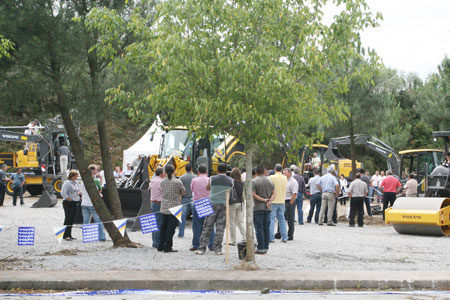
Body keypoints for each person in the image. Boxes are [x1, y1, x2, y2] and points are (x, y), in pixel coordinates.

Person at [195, 163, 233, 255]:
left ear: (217, 170)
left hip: (212, 204)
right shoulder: (231, 180)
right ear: (226, 171)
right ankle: (218, 249)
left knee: (207, 226)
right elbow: (231, 190)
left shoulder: (212, 178)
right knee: (220, 227)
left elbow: (207, 188)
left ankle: (202, 248)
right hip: (224, 205)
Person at [158, 165, 185, 253]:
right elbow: (183, 192)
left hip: (164, 206)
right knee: (171, 228)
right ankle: (168, 247)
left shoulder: (162, 182)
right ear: (174, 171)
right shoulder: (178, 181)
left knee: (163, 227)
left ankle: (160, 245)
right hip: (174, 207)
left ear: (165, 172)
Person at [190, 164, 214, 251]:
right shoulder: (210, 180)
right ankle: (212, 244)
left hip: (197, 203)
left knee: (197, 225)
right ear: (207, 172)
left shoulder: (194, 180)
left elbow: (192, 189)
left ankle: (196, 244)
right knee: (209, 225)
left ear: (198, 172)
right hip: (207, 203)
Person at [252, 165, 275, 254]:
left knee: (259, 228)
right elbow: (274, 193)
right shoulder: (270, 181)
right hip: (268, 207)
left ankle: (260, 247)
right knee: (266, 227)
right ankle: (266, 247)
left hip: (258, 207)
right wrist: (270, 201)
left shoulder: (254, 181)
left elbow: (253, 194)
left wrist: (264, 200)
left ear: (256, 172)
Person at [81, 165, 106, 242]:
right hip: (92, 204)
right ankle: (102, 237)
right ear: (92, 171)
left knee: (85, 221)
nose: (97, 171)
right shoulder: (96, 181)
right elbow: (100, 190)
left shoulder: (83, 181)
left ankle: (86, 237)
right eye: (96, 170)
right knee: (98, 220)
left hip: (84, 203)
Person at [268, 164, 288, 243]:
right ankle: (284, 237)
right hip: (282, 200)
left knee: (272, 219)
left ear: (274, 169)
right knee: (282, 219)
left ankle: (271, 237)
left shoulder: (271, 177)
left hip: (273, 200)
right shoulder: (285, 178)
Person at [61, 170, 82, 240]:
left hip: (75, 201)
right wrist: (67, 198)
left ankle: (69, 234)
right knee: (68, 218)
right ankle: (65, 235)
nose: (76, 177)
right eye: (75, 176)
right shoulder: (67, 183)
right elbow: (63, 192)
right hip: (68, 202)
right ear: (71, 176)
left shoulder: (76, 183)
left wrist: (79, 194)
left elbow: (78, 190)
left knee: (72, 219)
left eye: (77, 176)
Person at [178, 164, 196, 238]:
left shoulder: (181, 177)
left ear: (185, 169)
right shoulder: (195, 177)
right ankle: (195, 233)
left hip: (184, 198)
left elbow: (179, 188)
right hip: (193, 198)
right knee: (195, 217)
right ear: (191, 169)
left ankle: (181, 233)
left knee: (182, 217)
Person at [229, 168, 246, 245]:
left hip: (232, 203)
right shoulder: (242, 182)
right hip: (240, 203)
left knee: (232, 222)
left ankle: (233, 240)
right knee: (240, 222)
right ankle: (245, 237)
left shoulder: (231, 182)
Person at [149, 167, 165, 248]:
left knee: (154, 223)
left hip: (153, 203)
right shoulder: (161, 181)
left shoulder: (153, 180)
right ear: (161, 173)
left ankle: (154, 241)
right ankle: (157, 243)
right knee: (159, 223)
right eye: (164, 172)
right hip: (159, 203)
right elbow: (164, 192)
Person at [283, 168, 298, 240]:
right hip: (283, 201)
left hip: (289, 201)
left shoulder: (293, 182)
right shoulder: (284, 181)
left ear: (290, 174)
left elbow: (294, 193)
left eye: (285, 173)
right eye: (283, 173)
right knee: (282, 217)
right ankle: (280, 233)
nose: (284, 174)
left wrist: (291, 203)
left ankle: (290, 234)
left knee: (290, 218)